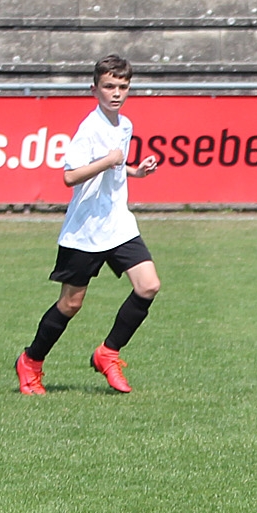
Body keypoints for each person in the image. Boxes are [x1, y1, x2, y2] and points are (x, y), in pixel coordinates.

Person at [15, 54, 162, 396]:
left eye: (122, 86)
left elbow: (116, 166)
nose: (116, 93)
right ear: (94, 89)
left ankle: (108, 353)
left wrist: (135, 171)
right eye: (109, 86)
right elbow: (70, 176)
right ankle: (31, 361)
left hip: (118, 224)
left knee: (148, 286)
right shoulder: (89, 129)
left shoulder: (124, 125)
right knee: (71, 304)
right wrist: (107, 160)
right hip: (86, 230)